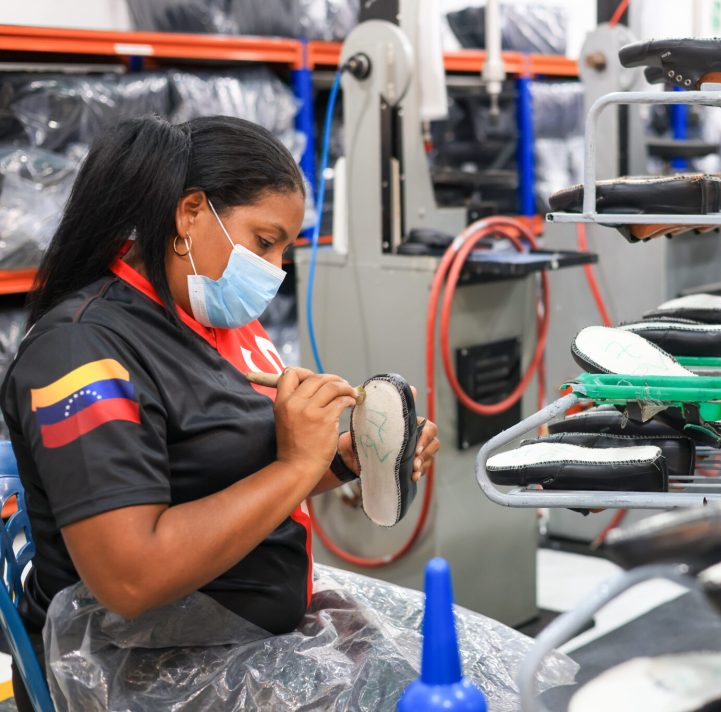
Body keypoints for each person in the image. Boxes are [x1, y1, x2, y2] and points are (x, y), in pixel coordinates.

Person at [0, 115, 440, 711]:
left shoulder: (213, 321)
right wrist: (294, 464)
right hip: (135, 670)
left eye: (285, 249)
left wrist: (341, 460)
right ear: (190, 214)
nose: (276, 269)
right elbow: (130, 578)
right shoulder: (80, 352)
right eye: (265, 242)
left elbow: (216, 476)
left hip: (232, 633)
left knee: (444, 669)